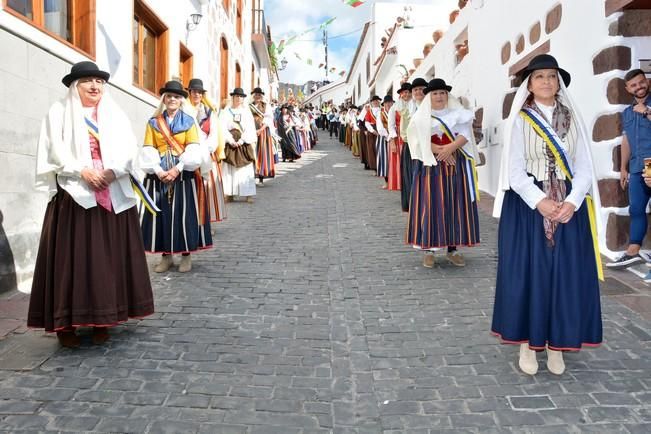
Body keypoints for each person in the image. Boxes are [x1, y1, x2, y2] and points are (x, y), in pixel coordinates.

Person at [28, 61, 154, 347]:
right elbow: (53, 148)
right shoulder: (58, 112)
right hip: (75, 194)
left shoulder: (115, 114)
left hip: (111, 191)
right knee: (72, 259)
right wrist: (81, 170)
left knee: (108, 257)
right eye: (87, 81)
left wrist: (113, 171)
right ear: (76, 85)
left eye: (99, 81)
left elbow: (128, 150)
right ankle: (67, 324)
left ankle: (104, 317)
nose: (95, 86)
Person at [491, 54, 603, 376]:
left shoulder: (572, 119)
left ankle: (557, 345)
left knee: (566, 275)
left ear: (559, 82)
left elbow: (583, 166)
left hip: (568, 206)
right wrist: (540, 201)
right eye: (539, 76)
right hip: (528, 208)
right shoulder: (518, 120)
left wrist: (572, 201)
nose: (546, 82)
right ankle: (529, 343)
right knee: (531, 274)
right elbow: (514, 172)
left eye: (551, 76)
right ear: (529, 82)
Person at [140, 80, 213, 273]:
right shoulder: (154, 122)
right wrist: (158, 170)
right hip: (160, 175)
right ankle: (166, 256)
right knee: (162, 215)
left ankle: (186, 255)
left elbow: (194, 148)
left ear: (181, 100)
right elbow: (148, 148)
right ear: (164, 99)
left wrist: (177, 168)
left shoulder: (189, 122)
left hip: (183, 176)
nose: (172, 99)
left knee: (184, 215)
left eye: (176, 96)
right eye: (169, 96)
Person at [406, 78, 480, 269]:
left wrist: (450, 148)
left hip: (456, 163)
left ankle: (452, 249)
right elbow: (416, 140)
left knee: (455, 203)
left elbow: (465, 135)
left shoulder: (458, 114)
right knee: (431, 204)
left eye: (442, 93)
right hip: (431, 165)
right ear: (429, 96)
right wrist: (440, 151)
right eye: (435, 93)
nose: (439, 96)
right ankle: (429, 250)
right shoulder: (420, 117)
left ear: (447, 95)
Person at [607, 69, 651, 270]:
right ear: (627, 89)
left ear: (647, 81)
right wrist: (623, 168)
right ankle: (633, 251)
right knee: (636, 209)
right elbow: (626, 141)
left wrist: (648, 112)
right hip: (636, 167)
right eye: (633, 85)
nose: (639, 87)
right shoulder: (627, 112)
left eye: (641, 82)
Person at [187, 78, 226, 223]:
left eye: (199, 92)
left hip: (206, 155)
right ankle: (190, 219)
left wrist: (204, 149)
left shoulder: (209, 113)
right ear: (189, 93)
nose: (196, 94)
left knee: (207, 189)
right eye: (194, 91)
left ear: (203, 95)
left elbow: (214, 136)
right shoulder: (184, 110)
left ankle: (206, 222)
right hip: (188, 155)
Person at [220, 88, 258, 202]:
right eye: (236, 96)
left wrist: (242, 140)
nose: (238, 98)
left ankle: (248, 194)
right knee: (229, 167)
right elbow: (221, 127)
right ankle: (229, 193)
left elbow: (250, 128)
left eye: (241, 97)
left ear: (243, 99)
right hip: (230, 143)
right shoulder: (225, 112)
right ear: (233, 97)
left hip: (243, 143)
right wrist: (230, 139)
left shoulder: (246, 112)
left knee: (245, 167)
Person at [399, 78, 427, 212]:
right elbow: (404, 129)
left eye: (421, 89)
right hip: (411, 145)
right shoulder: (409, 107)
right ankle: (413, 202)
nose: (418, 92)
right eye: (415, 90)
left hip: (428, 147)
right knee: (412, 175)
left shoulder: (429, 105)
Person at [387, 82, 412, 192]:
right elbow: (391, 126)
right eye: (405, 92)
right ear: (401, 94)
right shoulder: (394, 108)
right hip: (399, 138)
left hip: (412, 136)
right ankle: (402, 184)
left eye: (409, 92)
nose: (407, 94)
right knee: (400, 162)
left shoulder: (415, 104)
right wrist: (392, 141)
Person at [250, 87, 276, 185]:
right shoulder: (249, 106)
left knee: (262, 153)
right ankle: (252, 175)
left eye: (259, 95)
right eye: (256, 95)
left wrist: (260, 130)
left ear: (261, 96)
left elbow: (269, 119)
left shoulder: (266, 106)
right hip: (251, 130)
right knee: (252, 153)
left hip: (263, 132)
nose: (257, 96)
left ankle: (261, 177)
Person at [375, 95, 394, 189]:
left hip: (394, 138)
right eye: (387, 103)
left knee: (393, 160)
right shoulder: (380, 114)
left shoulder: (395, 112)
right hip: (384, 138)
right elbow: (380, 128)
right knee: (384, 160)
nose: (389, 105)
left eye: (390, 103)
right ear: (384, 104)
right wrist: (388, 136)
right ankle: (386, 181)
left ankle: (394, 180)